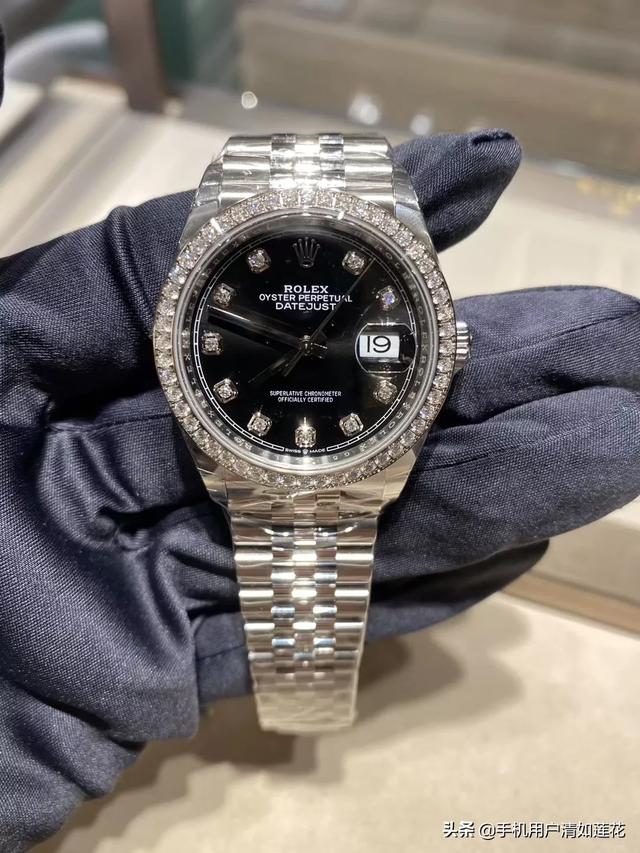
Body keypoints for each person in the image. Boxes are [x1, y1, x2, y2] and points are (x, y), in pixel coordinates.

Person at [0, 46, 639, 853]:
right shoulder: (196, 328)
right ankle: (298, 695)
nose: (308, 350)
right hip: (237, 458)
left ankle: (302, 694)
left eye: (319, 344)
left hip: (338, 453)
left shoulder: (396, 334)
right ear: (175, 339)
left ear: (440, 345)